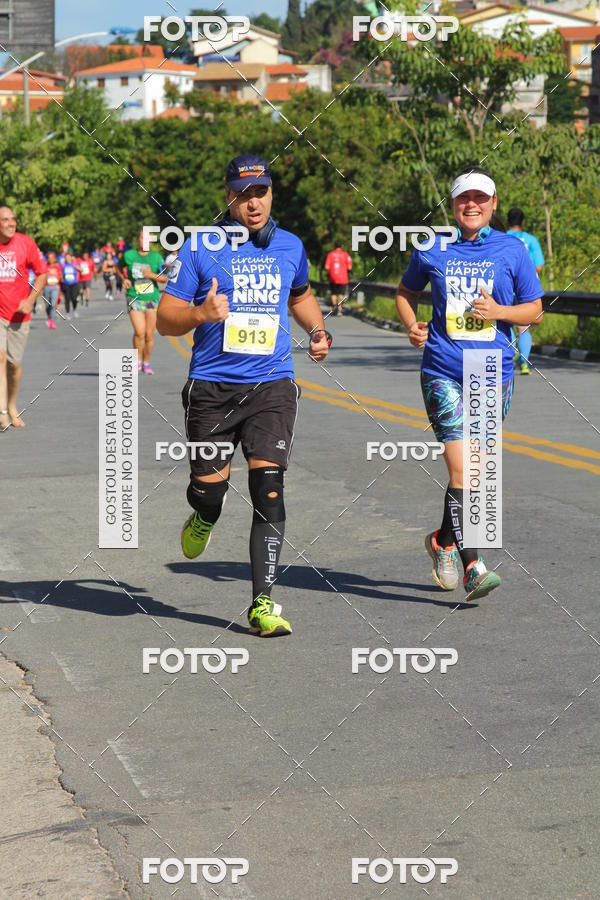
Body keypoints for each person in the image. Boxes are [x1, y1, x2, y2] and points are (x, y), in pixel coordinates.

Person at [157, 154, 331, 637]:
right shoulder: (200, 247)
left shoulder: (291, 245)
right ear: (228, 197)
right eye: (243, 194)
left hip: (272, 385)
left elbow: (300, 296)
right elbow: (165, 318)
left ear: (271, 194)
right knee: (210, 490)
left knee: (269, 489)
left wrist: (317, 330)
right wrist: (200, 314)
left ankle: (262, 604)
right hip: (212, 388)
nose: (253, 203)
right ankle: (204, 513)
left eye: (261, 193)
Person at [395, 165, 543, 600]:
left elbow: (534, 310)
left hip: (491, 372)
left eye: (480, 198)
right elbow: (405, 293)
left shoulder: (512, 250)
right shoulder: (432, 248)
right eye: (464, 198)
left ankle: (442, 540)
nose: (472, 205)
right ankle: (473, 565)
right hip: (442, 370)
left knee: (474, 471)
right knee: (464, 469)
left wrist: (500, 313)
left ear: (493, 204)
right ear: (453, 204)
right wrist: (411, 325)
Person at [0, 205, 47, 429]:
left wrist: (30, 301)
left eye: (13, 219)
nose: (11, 223)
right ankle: (2, 411)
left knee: (13, 365)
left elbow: (42, 273)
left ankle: (11, 405)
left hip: (19, 315)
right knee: (0, 357)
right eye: (5, 220)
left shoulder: (26, 243)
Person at [119, 232, 168, 374]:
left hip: (152, 299)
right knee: (139, 332)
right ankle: (137, 361)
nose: (144, 240)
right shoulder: (129, 255)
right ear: (137, 239)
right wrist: (123, 278)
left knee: (148, 335)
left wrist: (151, 275)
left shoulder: (156, 257)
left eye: (147, 238)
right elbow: (118, 267)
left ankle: (146, 362)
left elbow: (166, 278)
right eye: (142, 237)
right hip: (134, 298)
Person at [506, 207, 545, 376]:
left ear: (507, 221)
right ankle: (524, 363)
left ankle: (508, 357)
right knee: (523, 326)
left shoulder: (501, 237)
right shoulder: (531, 240)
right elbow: (539, 266)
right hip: (524, 289)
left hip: (506, 288)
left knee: (503, 322)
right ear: (523, 222)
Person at [324, 244, 352, 316]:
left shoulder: (330, 254)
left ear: (334, 246)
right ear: (341, 246)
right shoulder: (346, 255)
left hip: (333, 277)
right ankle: (339, 309)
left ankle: (334, 308)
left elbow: (326, 267)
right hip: (343, 278)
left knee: (333, 293)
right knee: (341, 293)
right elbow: (349, 267)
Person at [43, 251, 62, 329]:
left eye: (52, 258)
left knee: (53, 304)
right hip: (46, 287)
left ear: (55, 259)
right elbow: (41, 276)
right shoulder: (45, 266)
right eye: (49, 258)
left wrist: (58, 279)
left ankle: (52, 321)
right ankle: (49, 317)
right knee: (48, 305)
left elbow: (60, 276)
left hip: (55, 287)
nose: (50, 259)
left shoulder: (57, 267)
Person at [61, 251, 80, 319]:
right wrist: (61, 280)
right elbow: (60, 273)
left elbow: (81, 271)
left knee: (74, 298)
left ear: (71, 258)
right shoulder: (63, 265)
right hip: (66, 284)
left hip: (74, 283)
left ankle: (74, 310)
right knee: (67, 299)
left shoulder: (75, 264)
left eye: (69, 257)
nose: (68, 259)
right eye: (66, 258)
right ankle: (67, 313)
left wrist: (78, 268)